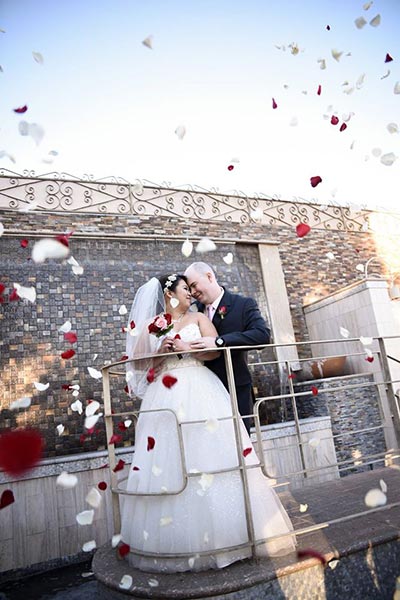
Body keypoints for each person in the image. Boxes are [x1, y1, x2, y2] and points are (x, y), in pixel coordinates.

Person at [120, 274, 295, 573]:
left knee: (212, 450)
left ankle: (233, 536)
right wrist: (158, 351)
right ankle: (177, 543)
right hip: (165, 393)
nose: (191, 294)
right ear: (168, 293)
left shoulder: (199, 318)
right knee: (170, 458)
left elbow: (214, 350)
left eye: (192, 288)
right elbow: (135, 362)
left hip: (201, 385)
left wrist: (190, 350)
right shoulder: (150, 324)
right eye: (185, 289)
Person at [184, 262, 270, 431]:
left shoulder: (243, 304)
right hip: (202, 392)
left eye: (194, 285)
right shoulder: (193, 312)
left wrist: (220, 342)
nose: (193, 293)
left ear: (209, 276)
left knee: (240, 447)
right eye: (189, 289)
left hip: (234, 389)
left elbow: (262, 335)